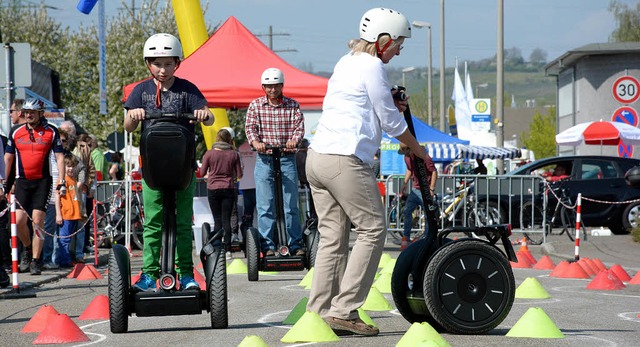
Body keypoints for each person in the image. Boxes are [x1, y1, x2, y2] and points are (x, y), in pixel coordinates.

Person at [305, 8, 427, 336]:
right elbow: (389, 122)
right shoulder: (373, 65)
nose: (400, 49)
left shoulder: (347, 61)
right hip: (344, 159)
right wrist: (419, 150)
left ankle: (317, 312)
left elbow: (359, 104)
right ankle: (344, 310)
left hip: (317, 157)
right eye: (398, 42)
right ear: (383, 40)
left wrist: (389, 99)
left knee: (333, 237)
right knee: (373, 228)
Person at [124, 33, 214, 292]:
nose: (162, 70)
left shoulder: (188, 89)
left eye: (167, 64)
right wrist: (134, 114)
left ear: (177, 63)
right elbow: (128, 125)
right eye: (156, 64)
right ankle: (149, 274)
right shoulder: (140, 91)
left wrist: (203, 114)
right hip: (153, 168)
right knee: (152, 222)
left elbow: (208, 119)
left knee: (183, 221)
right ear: (148, 64)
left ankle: (185, 273)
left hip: (182, 166)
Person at [245, 67, 305, 256]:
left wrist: (294, 140)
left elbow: (299, 127)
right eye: (269, 87)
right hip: (265, 159)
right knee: (265, 205)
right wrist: (256, 142)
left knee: (291, 205)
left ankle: (295, 244)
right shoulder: (256, 105)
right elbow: (250, 127)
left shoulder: (292, 105)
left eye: (276, 86)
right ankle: (267, 245)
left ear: (282, 86)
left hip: (286, 158)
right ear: (263, 87)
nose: (272, 90)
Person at [3, 98, 66, 275]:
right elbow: (8, 158)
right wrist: (3, 181)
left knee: (38, 221)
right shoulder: (16, 132)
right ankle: (29, 250)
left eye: (32, 112)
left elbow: (60, 158)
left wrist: (61, 180)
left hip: (42, 182)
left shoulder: (51, 131)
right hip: (22, 181)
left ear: (40, 113)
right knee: (19, 221)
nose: (28, 115)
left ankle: (36, 261)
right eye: (25, 112)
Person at [199, 129, 243, 258]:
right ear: (229, 139)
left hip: (213, 188)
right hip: (228, 187)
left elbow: (202, 173)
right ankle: (228, 249)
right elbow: (239, 174)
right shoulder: (233, 154)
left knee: (217, 219)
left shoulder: (209, 154)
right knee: (226, 219)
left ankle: (217, 247)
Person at [398, 144, 438, 250]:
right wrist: (404, 184)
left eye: (407, 151)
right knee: (407, 211)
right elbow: (410, 170)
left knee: (427, 215)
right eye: (405, 152)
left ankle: (426, 238)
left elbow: (434, 171)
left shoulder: (424, 157)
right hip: (415, 190)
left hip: (424, 190)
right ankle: (406, 237)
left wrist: (431, 188)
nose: (406, 154)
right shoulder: (407, 157)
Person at [54, 153, 82, 268]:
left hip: (73, 214)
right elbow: (57, 197)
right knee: (64, 239)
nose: (70, 168)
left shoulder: (73, 180)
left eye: (73, 166)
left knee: (69, 239)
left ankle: (67, 259)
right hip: (66, 214)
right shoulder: (63, 181)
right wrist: (58, 214)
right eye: (68, 166)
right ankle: (64, 261)